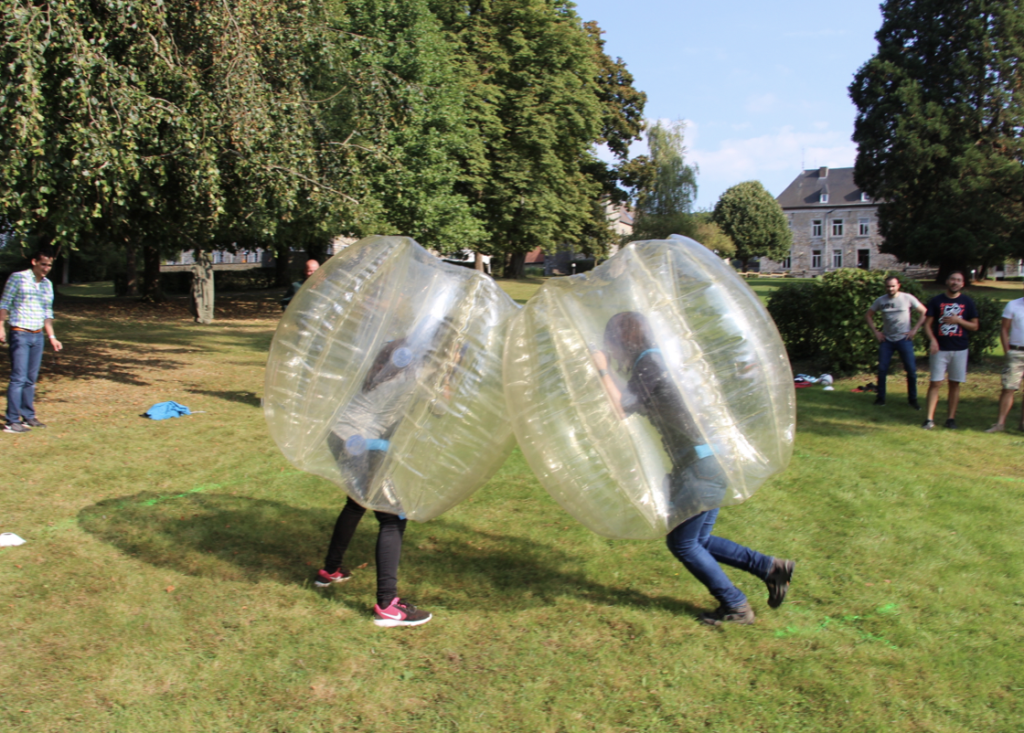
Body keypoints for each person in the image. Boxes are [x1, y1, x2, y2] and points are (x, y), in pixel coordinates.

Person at [591, 312, 793, 626]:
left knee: (683, 543)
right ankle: (771, 569)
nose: (610, 349)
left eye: (611, 343)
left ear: (622, 339)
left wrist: (601, 367)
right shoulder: (654, 361)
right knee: (697, 539)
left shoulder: (649, 364)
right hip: (709, 459)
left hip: (702, 464)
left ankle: (736, 605)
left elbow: (620, 407)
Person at [317, 336, 434, 627]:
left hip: (342, 434)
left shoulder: (392, 368)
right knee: (392, 516)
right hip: (359, 441)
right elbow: (440, 407)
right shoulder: (417, 374)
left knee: (357, 502)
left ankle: (331, 570)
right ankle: (388, 606)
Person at [0, 247, 63, 434]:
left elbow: (47, 313)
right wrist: (0, 326)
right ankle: (11, 421)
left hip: (37, 335)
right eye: (43, 264)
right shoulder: (18, 278)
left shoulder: (47, 285)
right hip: (20, 332)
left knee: (30, 379)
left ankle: (28, 416)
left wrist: (52, 337)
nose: (46, 268)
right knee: (18, 378)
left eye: (49, 265)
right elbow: (4, 303)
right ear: (34, 262)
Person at [922, 271, 979, 430]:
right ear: (947, 281)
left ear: (963, 284)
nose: (955, 282)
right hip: (940, 349)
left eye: (959, 280)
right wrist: (932, 340)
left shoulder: (967, 302)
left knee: (955, 384)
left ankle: (950, 418)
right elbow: (927, 324)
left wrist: (958, 320)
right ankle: (929, 419)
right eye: (952, 279)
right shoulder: (936, 301)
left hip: (960, 349)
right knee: (935, 382)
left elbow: (975, 326)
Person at [865, 275, 926, 409]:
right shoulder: (881, 301)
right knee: (882, 369)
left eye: (893, 286)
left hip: (904, 339)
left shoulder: (907, 298)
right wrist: (876, 332)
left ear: (898, 286)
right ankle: (880, 399)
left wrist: (914, 330)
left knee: (911, 370)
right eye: (888, 286)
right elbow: (868, 315)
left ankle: (913, 400)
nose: (890, 288)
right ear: (885, 287)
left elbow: (924, 312)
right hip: (887, 340)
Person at [984, 283, 1024, 433]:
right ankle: (1000, 424)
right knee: (1008, 388)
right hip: (1016, 353)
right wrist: (1007, 351)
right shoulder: (1013, 305)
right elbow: (1004, 329)